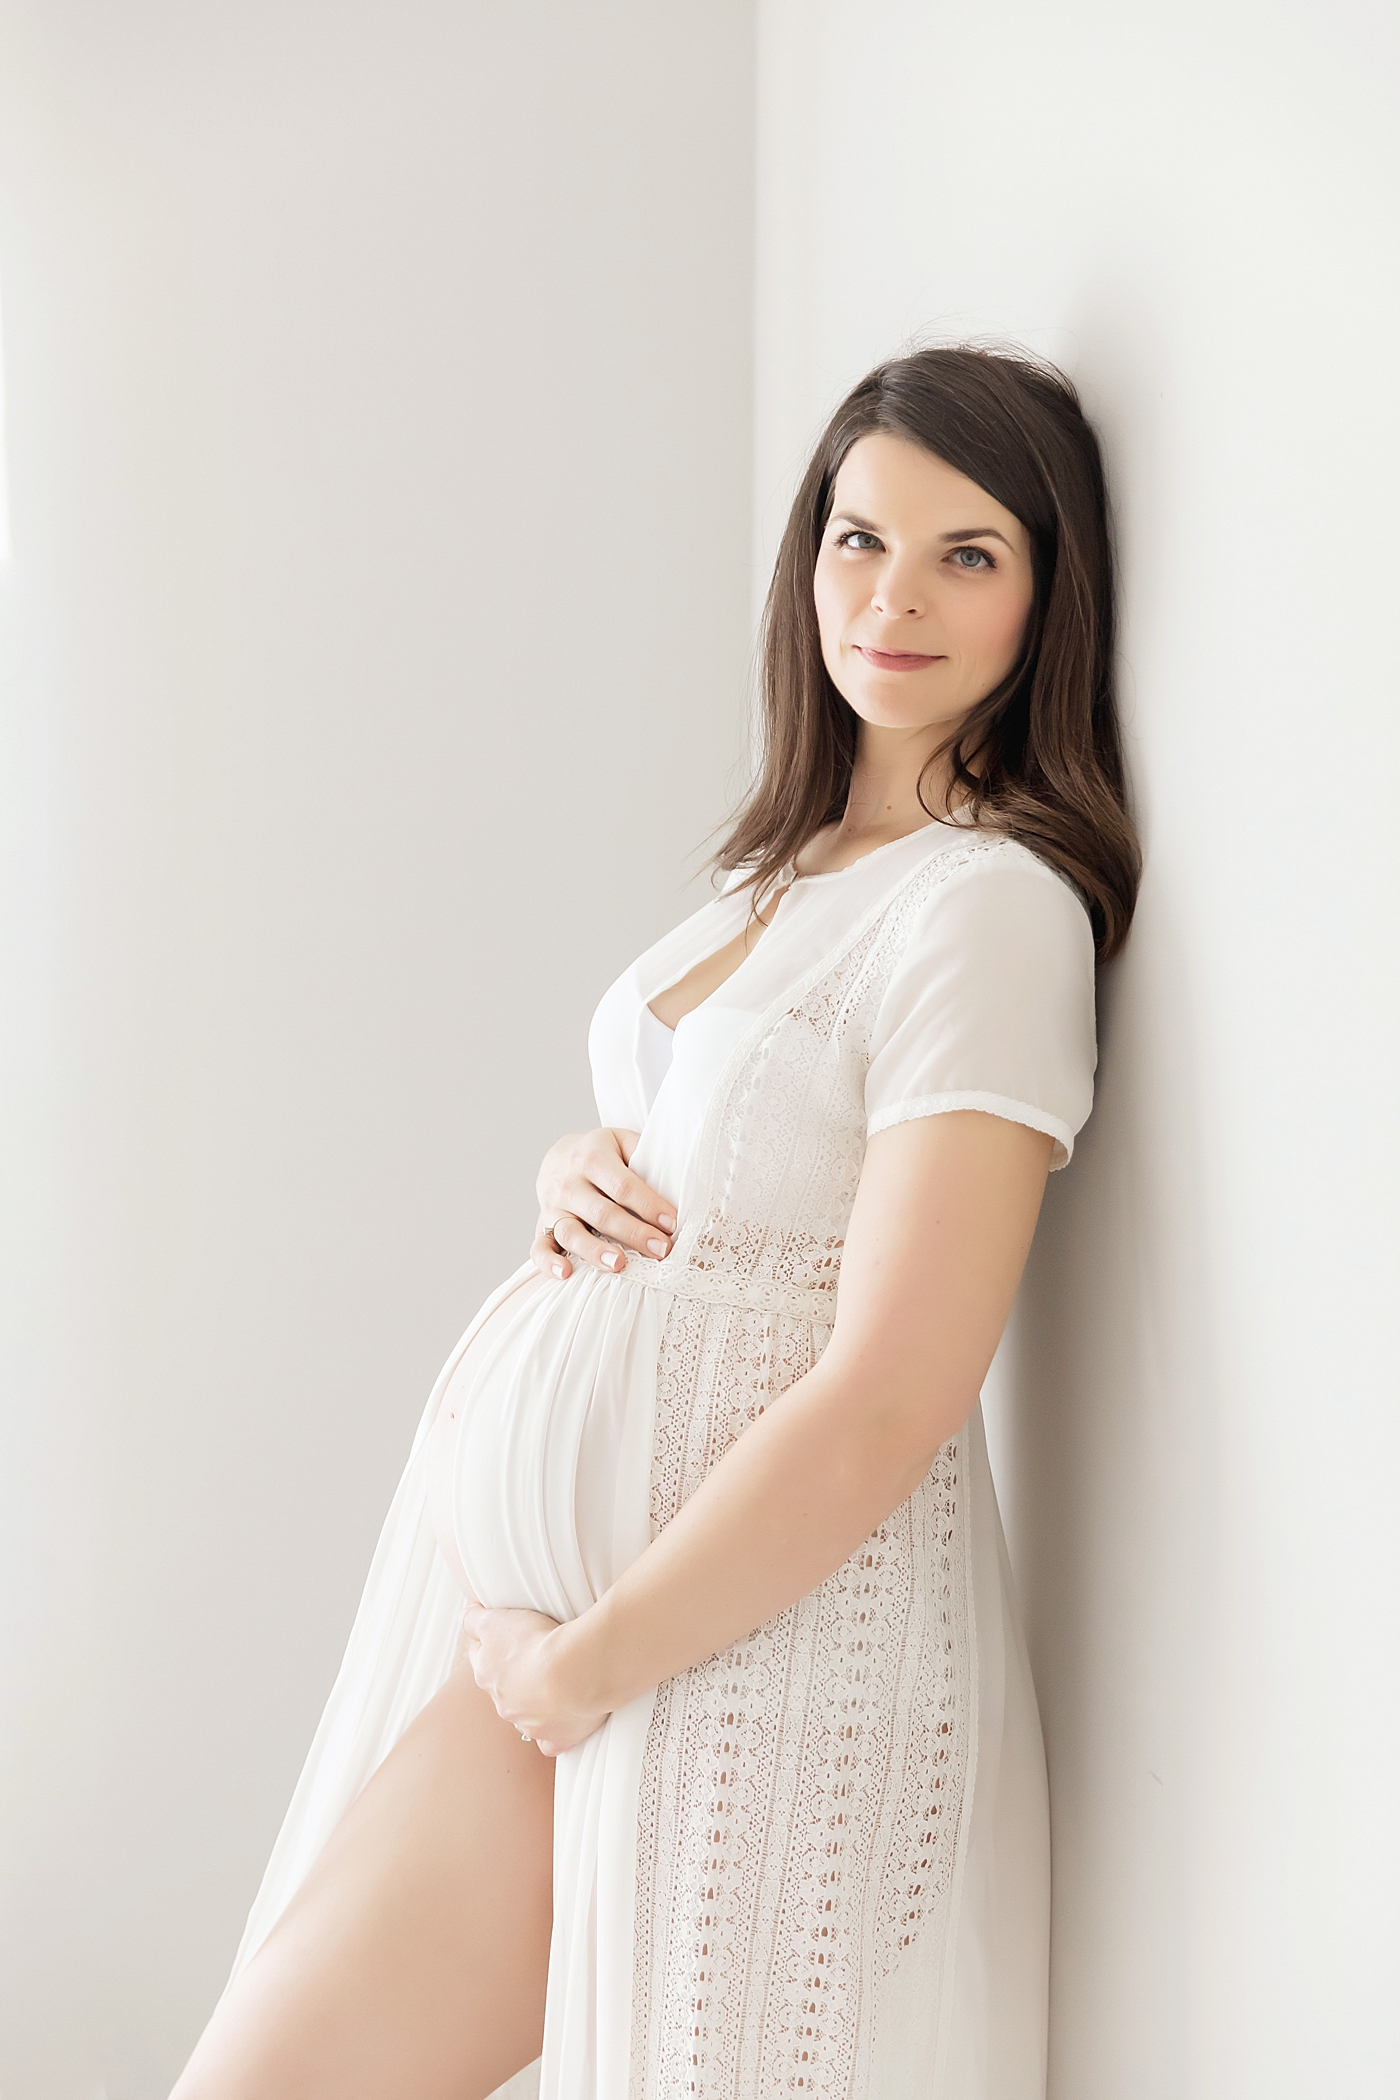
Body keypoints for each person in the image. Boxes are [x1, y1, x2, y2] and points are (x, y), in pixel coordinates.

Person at [172, 345, 1139, 2100]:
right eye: (858, 538)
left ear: (1048, 597)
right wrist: (582, 1170)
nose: (894, 595)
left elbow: (897, 1389)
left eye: (967, 553)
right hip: (576, 1652)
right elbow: (744, 1161)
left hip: (756, 1659)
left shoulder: (994, 913)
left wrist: (591, 1666)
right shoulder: (785, 876)